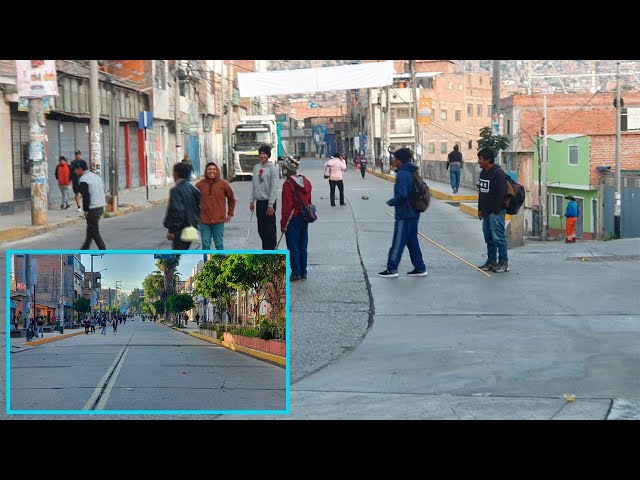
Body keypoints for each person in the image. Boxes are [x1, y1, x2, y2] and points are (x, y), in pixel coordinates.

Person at [378, 148, 427, 278]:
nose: (393, 160)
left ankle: (392, 269)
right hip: (413, 213)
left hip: (404, 214)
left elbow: (402, 195)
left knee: (398, 242)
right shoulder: (411, 171)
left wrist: (392, 202)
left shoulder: (402, 174)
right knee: (412, 242)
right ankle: (420, 267)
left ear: (400, 160)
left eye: (394, 158)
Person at [476, 147, 509, 273]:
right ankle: (491, 261)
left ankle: (503, 262)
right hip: (485, 212)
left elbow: (500, 195)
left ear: (488, 159)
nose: (479, 161)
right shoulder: (483, 173)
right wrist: (480, 209)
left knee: (498, 237)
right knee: (488, 238)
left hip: (496, 212)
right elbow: (481, 192)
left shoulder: (498, 174)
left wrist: (495, 211)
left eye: (480, 159)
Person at [280, 156, 312, 281]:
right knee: (302, 246)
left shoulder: (288, 184)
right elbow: (309, 200)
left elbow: (286, 206)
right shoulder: (306, 181)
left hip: (293, 218)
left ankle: (295, 272)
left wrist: (283, 224)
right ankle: (303, 271)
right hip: (305, 217)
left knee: (293, 246)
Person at [195, 162, 236, 250]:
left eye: (214, 169)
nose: (212, 171)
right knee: (205, 244)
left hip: (219, 221)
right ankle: (206, 263)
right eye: (209, 169)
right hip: (204, 221)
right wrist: (196, 216)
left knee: (219, 244)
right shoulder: (199, 185)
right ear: (206, 171)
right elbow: (193, 202)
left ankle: (220, 263)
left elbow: (231, 199)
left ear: (217, 171)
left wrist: (230, 213)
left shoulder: (224, 184)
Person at [163, 162, 201, 250]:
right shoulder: (192, 188)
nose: (172, 174)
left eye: (173, 172)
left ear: (177, 173)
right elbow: (200, 206)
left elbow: (177, 211)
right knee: (185, 251)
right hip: (192, 228)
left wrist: (172, 230)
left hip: (180, 230)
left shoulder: (176, 190)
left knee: (178, 254)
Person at [249, 145, 279, 250]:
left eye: (264, 153)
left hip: (269, 203)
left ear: (268, 155)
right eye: (261, 153)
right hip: (259, 203)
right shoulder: (256, 167)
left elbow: (274, 187)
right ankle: (265, 251)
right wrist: (252, 201)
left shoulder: (272, 169)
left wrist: (271, 205)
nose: (262, 155)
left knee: (269, 231)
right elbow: (254, 185)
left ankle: (272, 253)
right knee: (261, 230)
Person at [75, 159, 107, 250]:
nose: (74, 171)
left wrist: (85, 210)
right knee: (90, 228)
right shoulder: (96, 176)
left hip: (93, 208)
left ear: (80, 169)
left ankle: (102, 249)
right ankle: (84, 249)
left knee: (93, 229)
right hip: (100, 205)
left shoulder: (83, 179)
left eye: (75, 169)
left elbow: (86, 196)